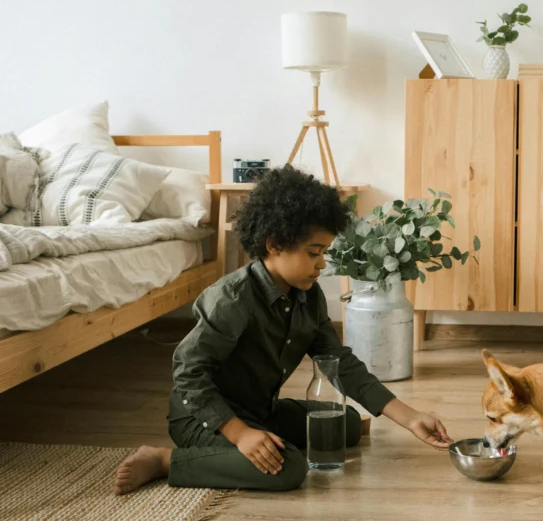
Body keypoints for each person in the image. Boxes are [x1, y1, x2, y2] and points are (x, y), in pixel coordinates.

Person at [113, 165, 453, 495]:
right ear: (274, 245)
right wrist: (240, 433)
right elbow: (188, 372)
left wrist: (410, 418)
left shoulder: (308, 295)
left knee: (345, 422)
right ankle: (165, 460)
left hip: (261, 411)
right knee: (289, 469)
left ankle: (258, 438)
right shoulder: (232, 298)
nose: (323, 264)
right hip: (205, 416)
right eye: (314, 253)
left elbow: (338, 361)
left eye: (325, 253)